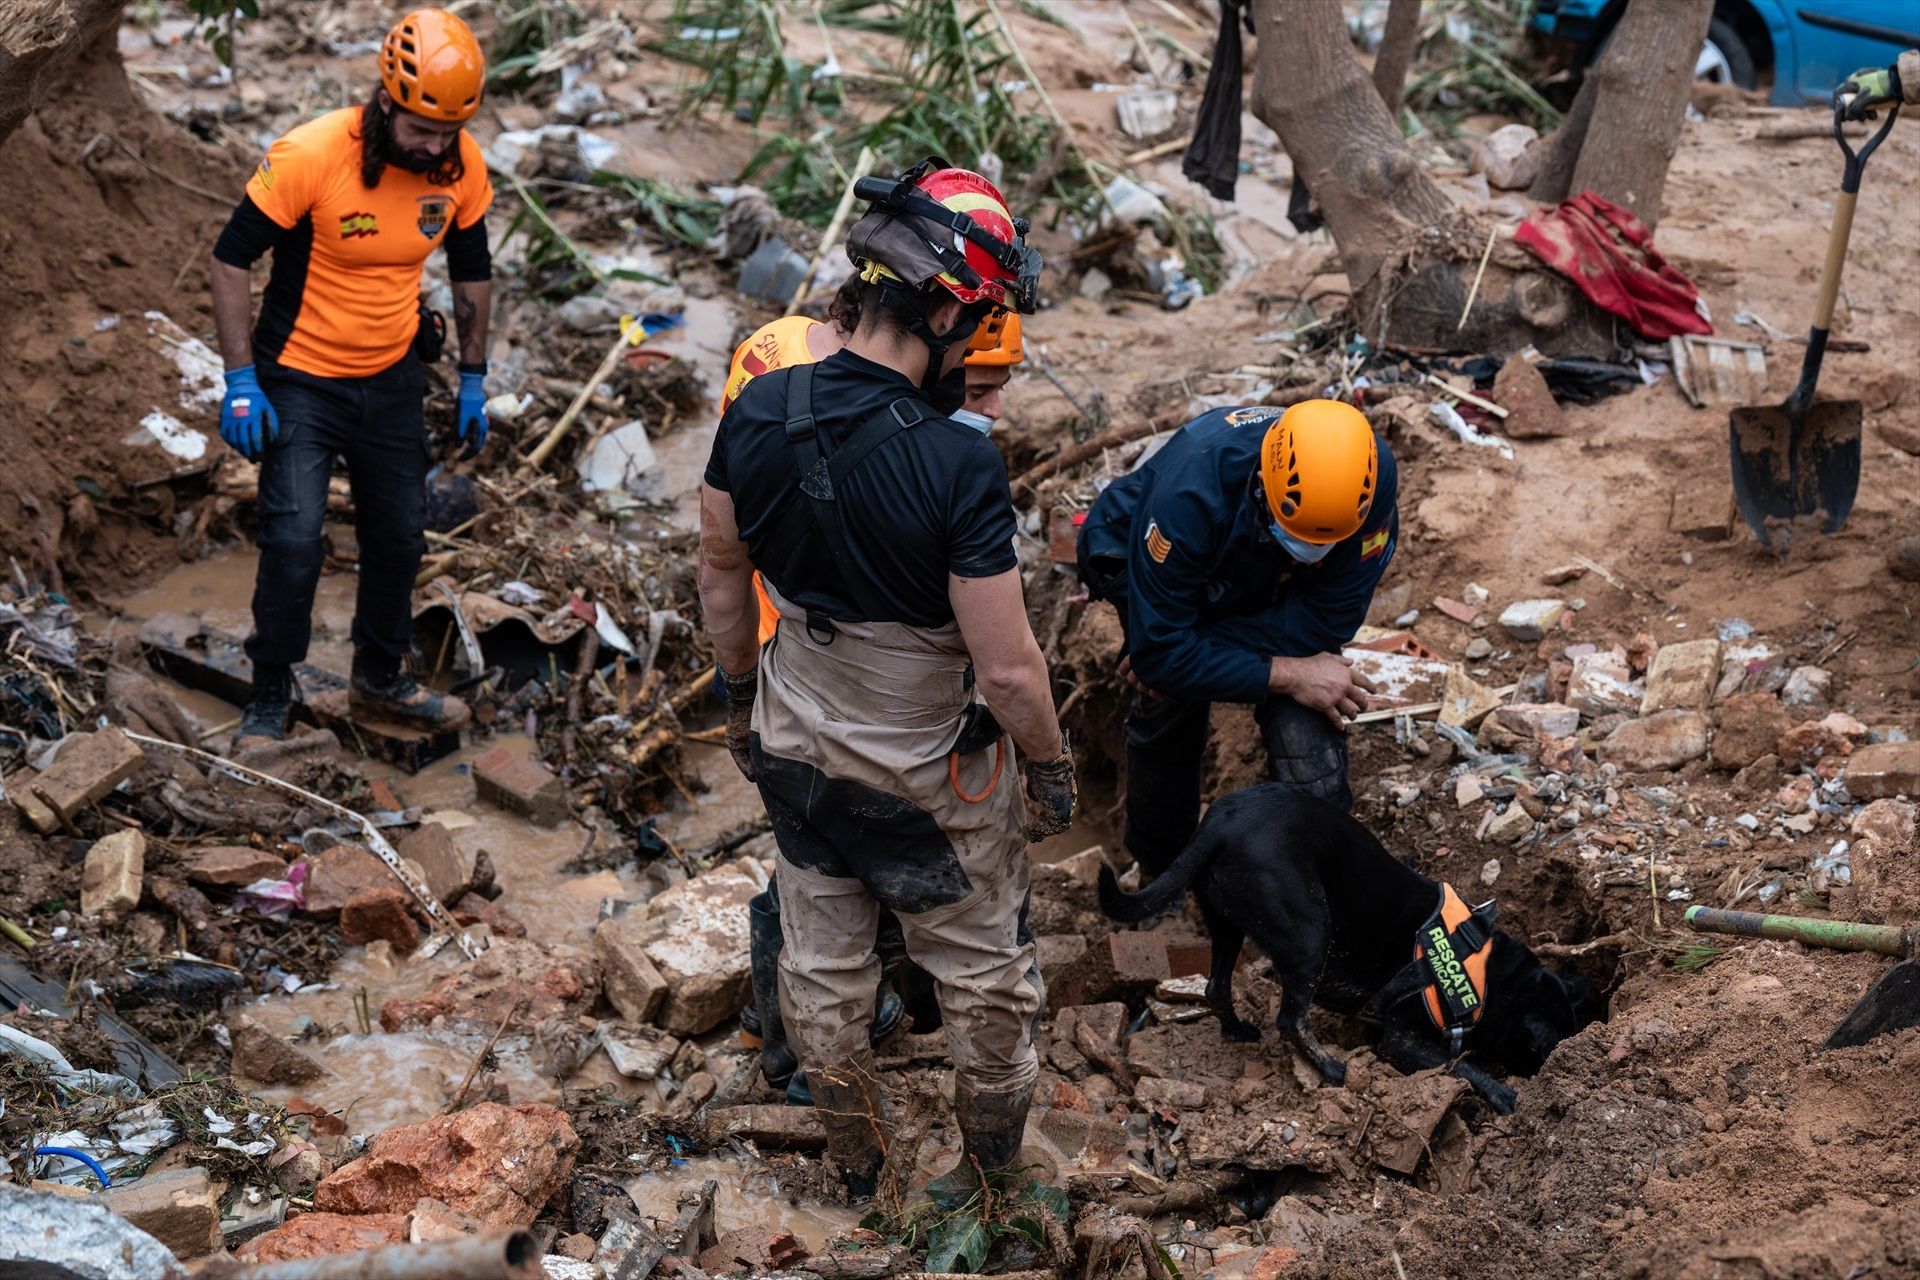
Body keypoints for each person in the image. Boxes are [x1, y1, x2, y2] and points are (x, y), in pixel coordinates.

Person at [699, 158, 1074, 1197]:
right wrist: (1048, 765)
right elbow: (1006, 668)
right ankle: (994, 1182)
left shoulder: (759, 406)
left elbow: (723, 573)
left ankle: (858, 1165)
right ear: (950, 308)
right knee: (986, 977)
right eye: (981, 317)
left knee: (821, 966)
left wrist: (738, 697)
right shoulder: (958, 464)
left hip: (795, 733)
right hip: (920, 766)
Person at [723, 304, 1032, 1107]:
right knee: (867, 885)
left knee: (818, 890)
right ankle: (788, 1047)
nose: (990, 406)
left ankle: (812, 1065)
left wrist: (738, 694)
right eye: (982, 380)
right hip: (824, 655)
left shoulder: (778, 386)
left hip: (786, 662)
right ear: (937, 349)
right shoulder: (939, 456)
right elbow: (1004, 666)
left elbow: (717, 556)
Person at [209, 8, 494, 742]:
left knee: (400, 536)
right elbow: (231, 256)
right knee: (296, 539)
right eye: (420, 132)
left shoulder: (459, 165)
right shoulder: (311, 154)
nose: (435, 149)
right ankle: (271, 687)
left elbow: (472, 270)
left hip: (393, 374)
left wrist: (471, 377)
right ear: (385, 101)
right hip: (299, 376)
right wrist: (241, 380)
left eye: (448, 134)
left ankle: (379, 676)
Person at [1077, 399, 1398, 877]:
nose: (1313, 557)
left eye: (1324, 545)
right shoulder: (1191, 494)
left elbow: (1329, 618)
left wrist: (1184, 650)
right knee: (1167, 695)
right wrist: (1169, 652)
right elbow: (1163, 655)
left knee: (1313, 697)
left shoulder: (1371, 482)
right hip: (1145, 556)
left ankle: (1325, 883)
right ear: (1265, 484)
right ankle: (1161, 871)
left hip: (1264, 576)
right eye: (1301, 537)